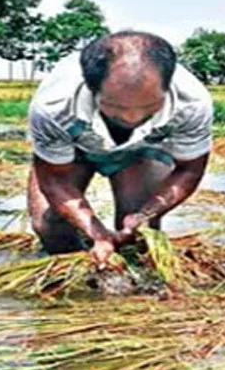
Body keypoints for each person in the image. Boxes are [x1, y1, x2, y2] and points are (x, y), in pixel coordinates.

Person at [27, 30, 212, 268]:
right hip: (76, 147)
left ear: (167, 87)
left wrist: (146, 214)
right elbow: (54, 180)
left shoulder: (192, 103)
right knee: (51, 227)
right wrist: (97, 233)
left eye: (150, 106)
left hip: (140, 151)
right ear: (92, 88)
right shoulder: (54, 105)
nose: (132, 118)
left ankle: (131, 282)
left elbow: (189, 170)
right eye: (116, 107)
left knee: (138, 235)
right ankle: (76, 275)